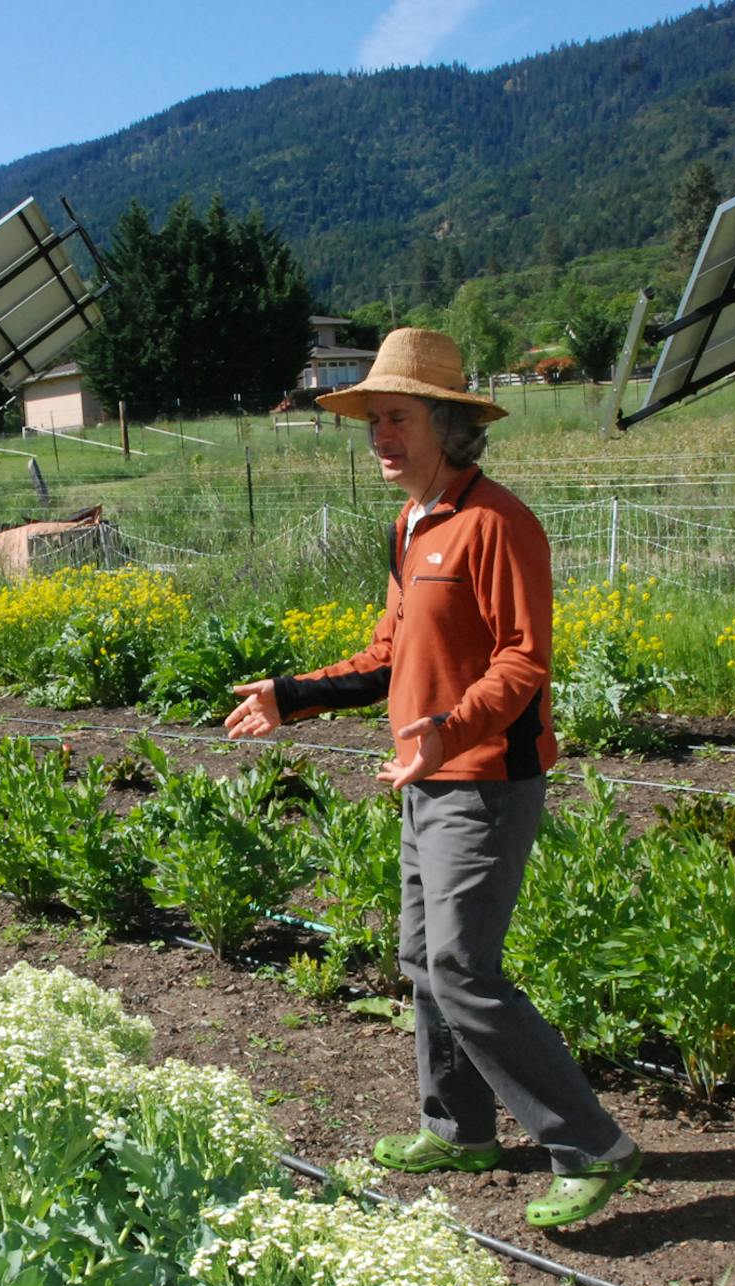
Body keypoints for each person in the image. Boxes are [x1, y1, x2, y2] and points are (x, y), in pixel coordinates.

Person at [225, 327, 641, 1229]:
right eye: (372, 420)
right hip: (422, 775)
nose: (380, 435)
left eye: (397, 418)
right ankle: (458, 1126)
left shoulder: (498, 522)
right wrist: (290, 695)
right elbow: (389, 654)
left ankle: (591, 1144)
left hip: (486, 777)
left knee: (461, 966)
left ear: (448, 425)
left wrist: (448, 734)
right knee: (422, 959)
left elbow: (526, 662)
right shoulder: (410, 526)